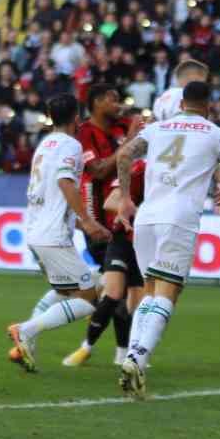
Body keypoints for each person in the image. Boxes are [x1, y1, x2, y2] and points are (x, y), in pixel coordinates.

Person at [110, 80, 220, 399]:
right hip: (180, 218)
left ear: (182, 103)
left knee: (148, 291)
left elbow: (124, 155)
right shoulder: (216, 133)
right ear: (208, 105)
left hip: (146, 216)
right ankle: (137, 359)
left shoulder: (159, 128)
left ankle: (134, 361)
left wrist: (127, 199)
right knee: (168, 293)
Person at [4, 94, 111, 372]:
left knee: (64, 292)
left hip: (37, 231)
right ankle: (25, 331)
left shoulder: (44, 146)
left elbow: (49, 193)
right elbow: (65, 182)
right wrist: (87, 220)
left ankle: (25, 346)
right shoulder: (72, 145)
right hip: (53, 236)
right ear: (76, 118)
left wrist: (76, 221)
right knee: (89, 299)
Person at [61, 83, 137, 367]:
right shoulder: (85, 134)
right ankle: (104, 349)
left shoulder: (122, 127)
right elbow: (99, 169)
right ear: (95, 102)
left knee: (119, 290)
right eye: (111, 98)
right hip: (99, 223)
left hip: (123, 220)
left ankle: (117, 352)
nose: (117, 103)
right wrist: (130, 142)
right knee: (116, 290)